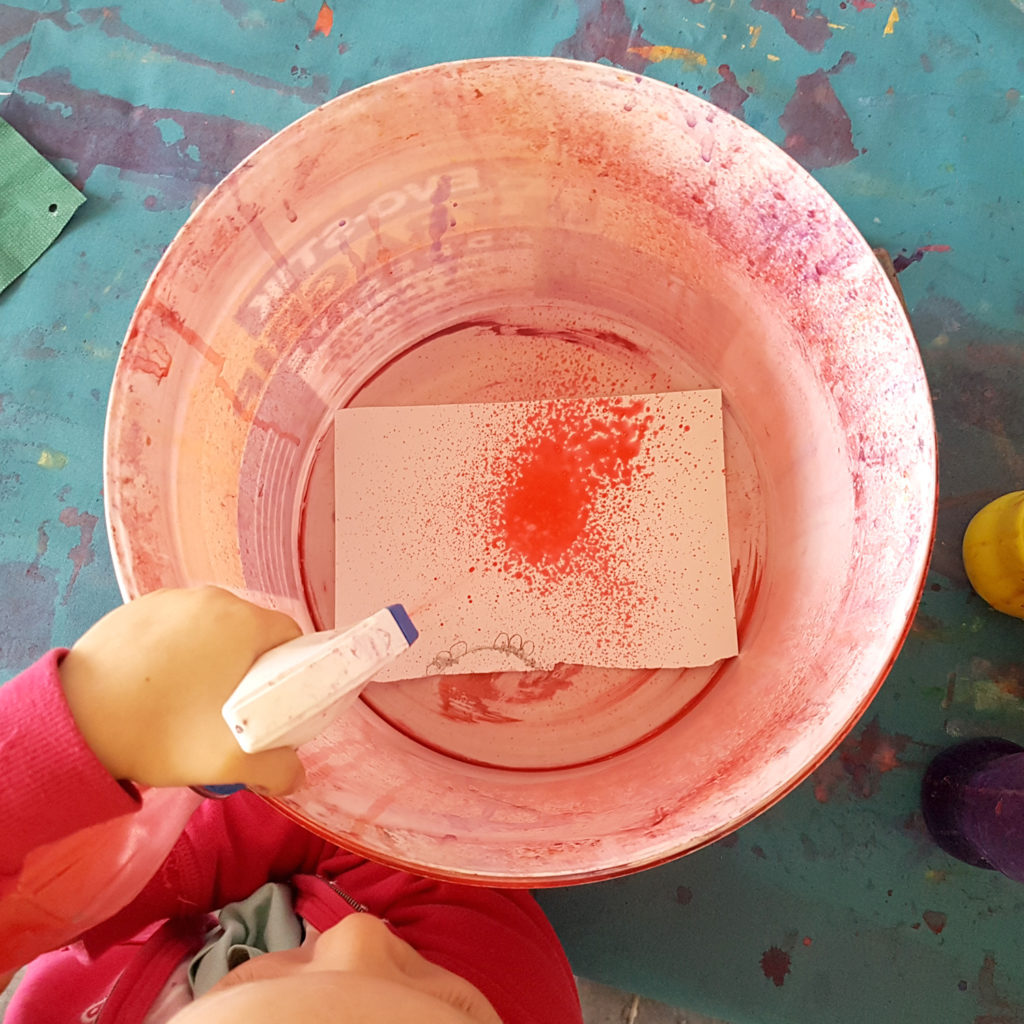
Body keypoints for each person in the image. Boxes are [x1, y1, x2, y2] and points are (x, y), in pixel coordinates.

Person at [0, 586, 584, 1023]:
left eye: (240, 987)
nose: (363, 937)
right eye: (444, 997)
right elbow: (407, 847)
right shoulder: (516, 989)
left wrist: (111, 865)